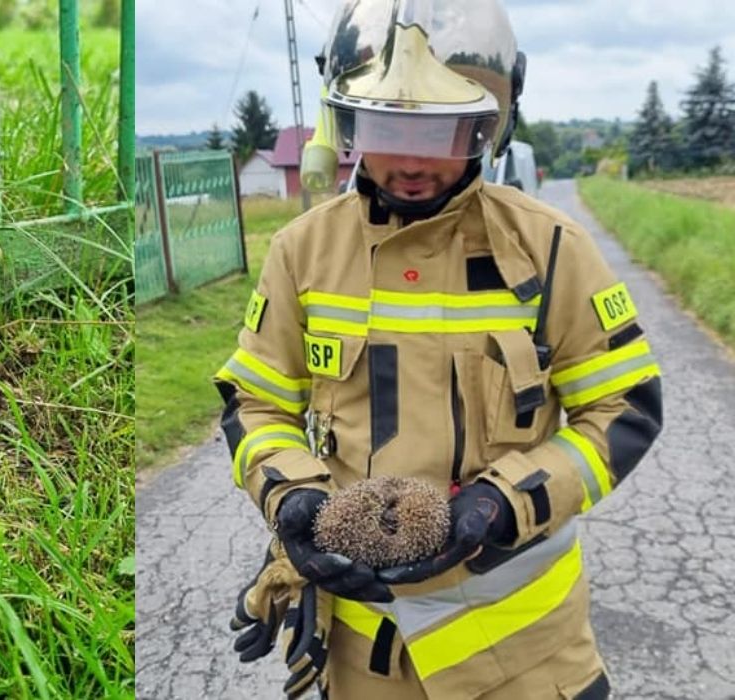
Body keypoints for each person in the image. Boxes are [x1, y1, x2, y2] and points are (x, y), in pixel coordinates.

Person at [214, 1, 663, 698]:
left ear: (491, 124)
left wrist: (504, 503)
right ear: (350, 122)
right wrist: (293, 499)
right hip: (366, 654)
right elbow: (257, 403)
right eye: (389, 128)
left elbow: (625, 408)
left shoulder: (550, 249)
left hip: (531, 654)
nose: (414, 161)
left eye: (446, 131)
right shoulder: (300, 252)